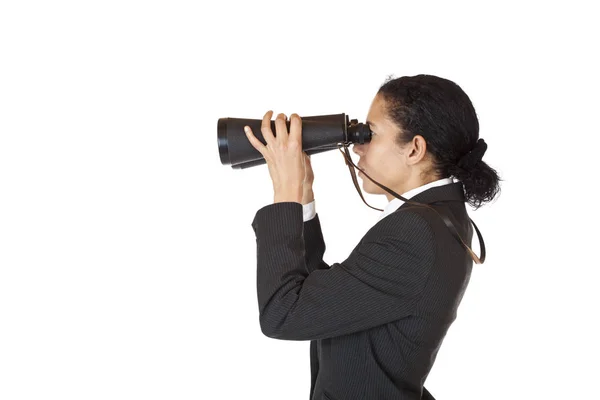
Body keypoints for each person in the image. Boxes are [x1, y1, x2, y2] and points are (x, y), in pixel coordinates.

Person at [244, 74, 501, 400]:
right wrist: (303, 198)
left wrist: (285, 193)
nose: (357, 145)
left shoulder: (416, 231)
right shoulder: (439, 218)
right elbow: (321, 301)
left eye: (370, 133)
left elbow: (283, 314)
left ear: (414, 149)